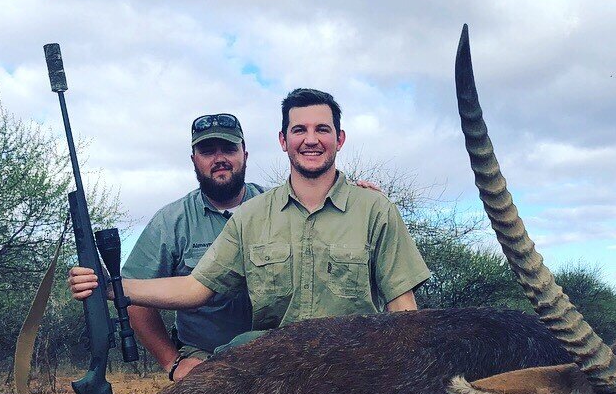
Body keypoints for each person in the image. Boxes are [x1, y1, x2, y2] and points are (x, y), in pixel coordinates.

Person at [70, 88, 430, 352]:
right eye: (298, 130)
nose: (311, 140)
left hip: (356, 366)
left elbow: (403, 309)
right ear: (283, 140)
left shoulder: (376, 209)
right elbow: (196, 289)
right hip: (274, 368)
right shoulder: (250, 216)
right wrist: (111, 286)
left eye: (322, 129)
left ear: (340, 138)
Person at [122, 113, 264, 382]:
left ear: (244, 154)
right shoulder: (171, 221)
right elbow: (133, 297)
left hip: (274, 359)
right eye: (208, 151)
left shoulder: (276, 206)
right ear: (193, 160)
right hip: (205, 364)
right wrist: (172, 362)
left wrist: (364, 198)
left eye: (229, 149)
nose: (219, 158)